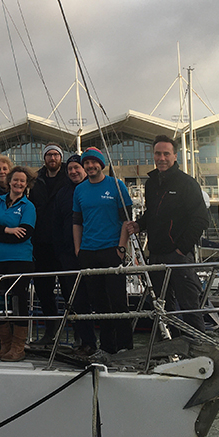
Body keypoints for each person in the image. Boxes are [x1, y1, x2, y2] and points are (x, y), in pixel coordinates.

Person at [126, 135, 210, 332]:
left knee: (189, 306)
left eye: (166, 154)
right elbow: (153, 214)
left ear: (175, 156)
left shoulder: (187, 184)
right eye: (157, 153)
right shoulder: (151, 183)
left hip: (178, 256)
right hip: (155, 255)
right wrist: (139, 225)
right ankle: (170, 349)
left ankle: (198, 347)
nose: (161, 158)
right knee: (162, 308)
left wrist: (182, 249)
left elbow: (200, 219)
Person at [72, 147, 134, 354]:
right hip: (89, 251)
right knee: (99, 304)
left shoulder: (116, 186)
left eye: (93, 162)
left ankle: (125, 346)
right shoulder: (79, 190)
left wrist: (122, 247)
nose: (90, 166)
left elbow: (127, 219)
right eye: (86, 163)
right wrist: (78, 249)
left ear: (101, 164)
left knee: (118, 300)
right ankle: (107, 347)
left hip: (111, 249)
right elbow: (77, 222)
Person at [0, 166, 37, 362]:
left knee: (18, 301)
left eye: (22, 181)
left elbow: (24, 234)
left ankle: (18, 347)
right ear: (9, 181)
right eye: (15, 180)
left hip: (21, 259)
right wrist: (7, 230)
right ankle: (5, 343)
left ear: (26, 184)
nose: (18, 184)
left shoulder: (28, 206)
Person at [52, 154, 96, 353]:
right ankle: (85, 341)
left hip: (94, 251)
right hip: (68, 254)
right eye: (69, 168)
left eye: (77, 167)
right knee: (75, 300)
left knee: (99, 298)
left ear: (85, 168)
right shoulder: (62, 194)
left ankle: (110, 343)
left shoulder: (94, 189)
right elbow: (57, 222)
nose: (73, 171)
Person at [28, 143, 70, 345]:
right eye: (49, 155)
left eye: (56, 155)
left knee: (70, 289)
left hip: (63, 242)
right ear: (44, 158)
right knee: (44, 291)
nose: (52, 158)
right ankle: (50, 333)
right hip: (41, 242)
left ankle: (79, 334)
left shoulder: (69, 178)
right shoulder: (36, 180)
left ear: (60, 157)